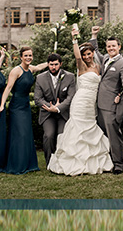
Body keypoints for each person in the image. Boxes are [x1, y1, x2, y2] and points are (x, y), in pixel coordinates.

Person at [47, 27, 114, 175]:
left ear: (93, 53)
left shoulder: (99, 66)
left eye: (89, 54)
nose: (86, 57)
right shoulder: (81, 66)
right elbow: (77, 56)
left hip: (91, 103)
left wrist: (94, 35)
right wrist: (74, 39)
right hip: (80, 101)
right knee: (77, 127)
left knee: (90, 126)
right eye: (84, 55)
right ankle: (73, 161)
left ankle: (92, 161)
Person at [0, 46, 49, 174]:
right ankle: (17, 165)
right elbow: (8, 88)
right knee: (19, 134)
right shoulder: (16, 71)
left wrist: (50, 61)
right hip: (16, 106)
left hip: (26, 105)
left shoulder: (31, 69)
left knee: (26, 134)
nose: (28, 58)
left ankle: (28, 164)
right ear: (21, 57)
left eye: (30, 55)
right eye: (26, 55)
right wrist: (2, 105)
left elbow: (39, 67)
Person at [88, 26, 123, 173]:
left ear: (119, 47)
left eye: (113, 46)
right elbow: (96, 52)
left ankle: (119, 164)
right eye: (108, 46)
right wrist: (94, 35)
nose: (111, 48)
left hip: (111, 106)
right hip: (100, 104)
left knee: (114, 135)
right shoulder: (106, 58)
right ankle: (107, 162)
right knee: (103, 135)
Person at [32, 52, 76, 167]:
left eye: (56, 64)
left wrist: (57, 108)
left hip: (63, 113)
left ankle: (63, 162)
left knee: (62, 135)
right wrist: (50, 108)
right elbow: (37, 98)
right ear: (48, 64)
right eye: (51, 64)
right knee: (49, 135)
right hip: (47, 114)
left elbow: (71, 97)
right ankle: (50, 163)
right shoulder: (40, 78)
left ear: (60, 64)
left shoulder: (70, 77)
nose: (53, 67)